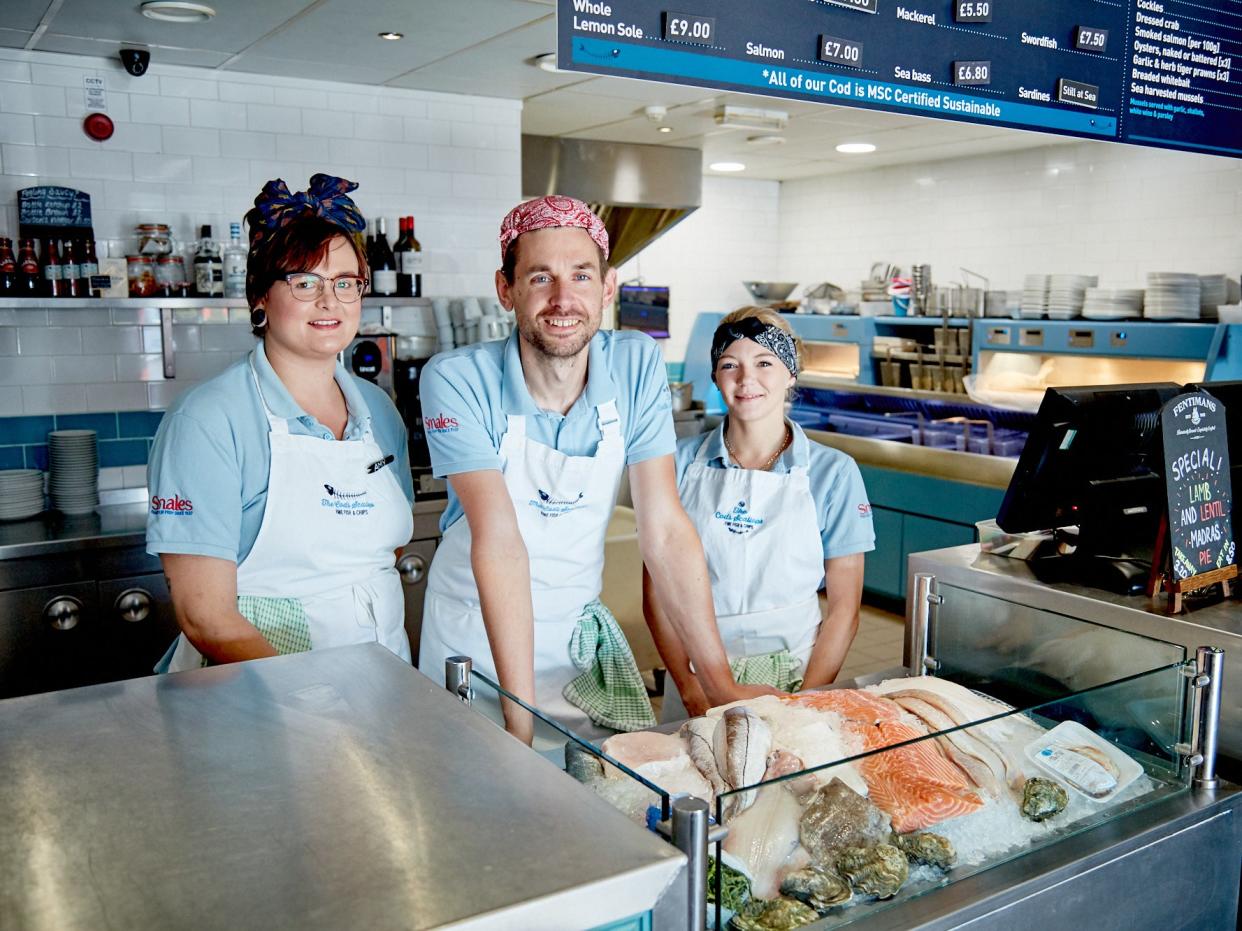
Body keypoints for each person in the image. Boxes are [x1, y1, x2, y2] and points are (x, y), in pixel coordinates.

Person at [417, 195, 777, 746]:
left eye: (581, 276)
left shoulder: (634, 363)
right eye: (540, 277)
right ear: (505, 289)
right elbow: (499, 540)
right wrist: (521, 725)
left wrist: (720, 684)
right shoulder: (457, 378)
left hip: (577, 645)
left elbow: (664, 530)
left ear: (607, 288)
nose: (564, 300)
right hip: (476, 641)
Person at [146, 174, 414, 671]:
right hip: (261, 706)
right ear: (260, 297)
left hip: (385, 685)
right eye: (304, 282)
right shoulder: (208, 420)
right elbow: (205, 617)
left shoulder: (379, 411)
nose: (329, 301)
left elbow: (385, 549)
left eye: (345, 283)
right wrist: (313, 700)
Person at [646, 307, 876, 721]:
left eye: (765, 363)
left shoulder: (834, 473)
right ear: (715, 377)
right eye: (729, 364)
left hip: (797, 674)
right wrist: (691, 688)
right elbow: (658, 594)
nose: (746, 379)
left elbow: (844, 610)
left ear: (791, 374)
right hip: (695, 676)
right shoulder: (676, 465)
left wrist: (805, 703)